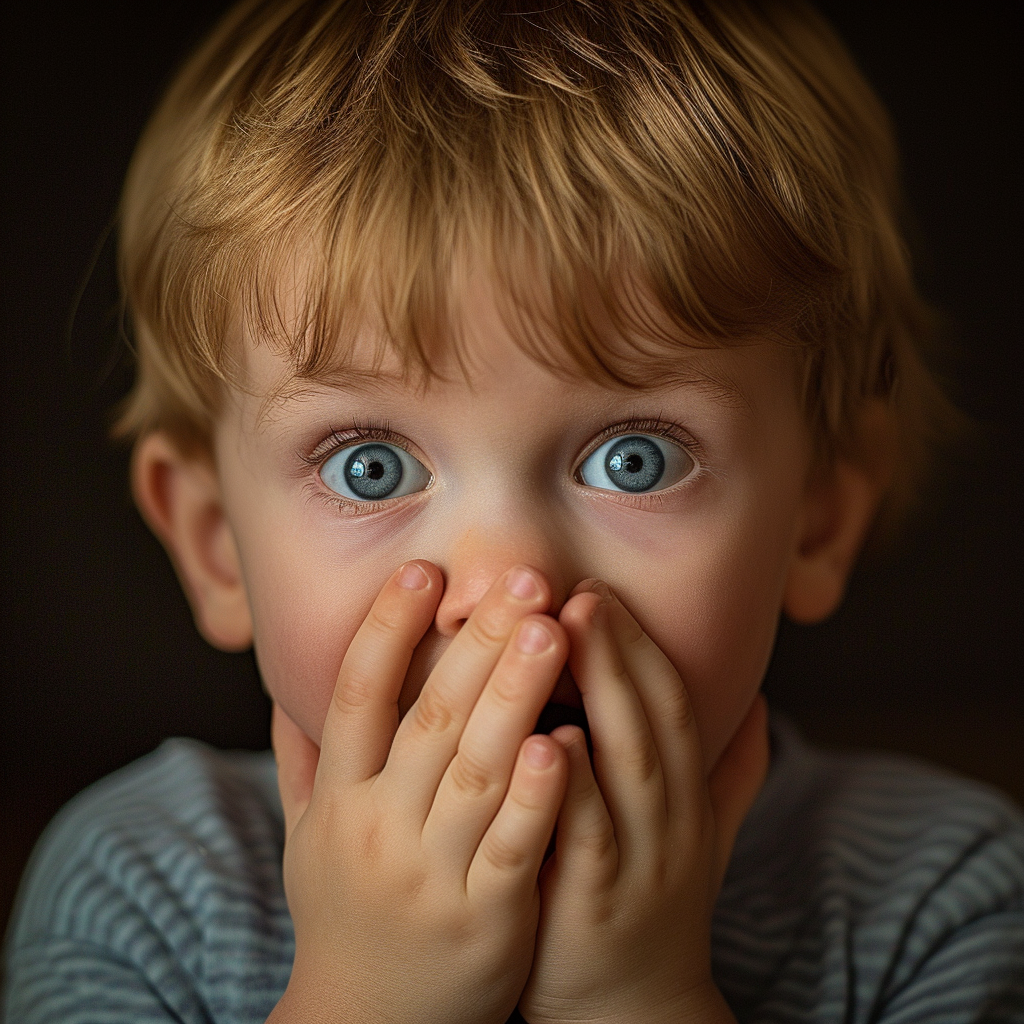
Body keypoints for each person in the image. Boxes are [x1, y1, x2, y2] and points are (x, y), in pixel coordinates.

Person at [4, 0, 1022, 1020]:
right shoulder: (137, 889)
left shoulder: (944, 895)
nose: (509, 591)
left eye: (635, 459)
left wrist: (639, 998)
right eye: (369, 467)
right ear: (215, 543)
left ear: (815, 517)